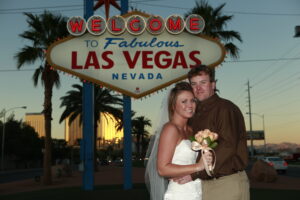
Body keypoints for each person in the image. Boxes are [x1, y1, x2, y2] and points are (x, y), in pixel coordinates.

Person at [174, 65, 249, 200]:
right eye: (194, 84)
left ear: (213, 85)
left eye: (203, 82)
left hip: (226, 183)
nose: (198, 88)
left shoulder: (225, 109)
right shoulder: (195, 114)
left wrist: (195, 174)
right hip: (203, 185)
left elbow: (227, 146)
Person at [145, 82, 211, 200]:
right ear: (173, 106)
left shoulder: (191, 130)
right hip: (180, 193)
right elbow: (162, 169)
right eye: (184, 101)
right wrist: (198, 166)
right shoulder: (170, 129)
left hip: (195, 190)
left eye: (192, 100)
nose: (190, 105)